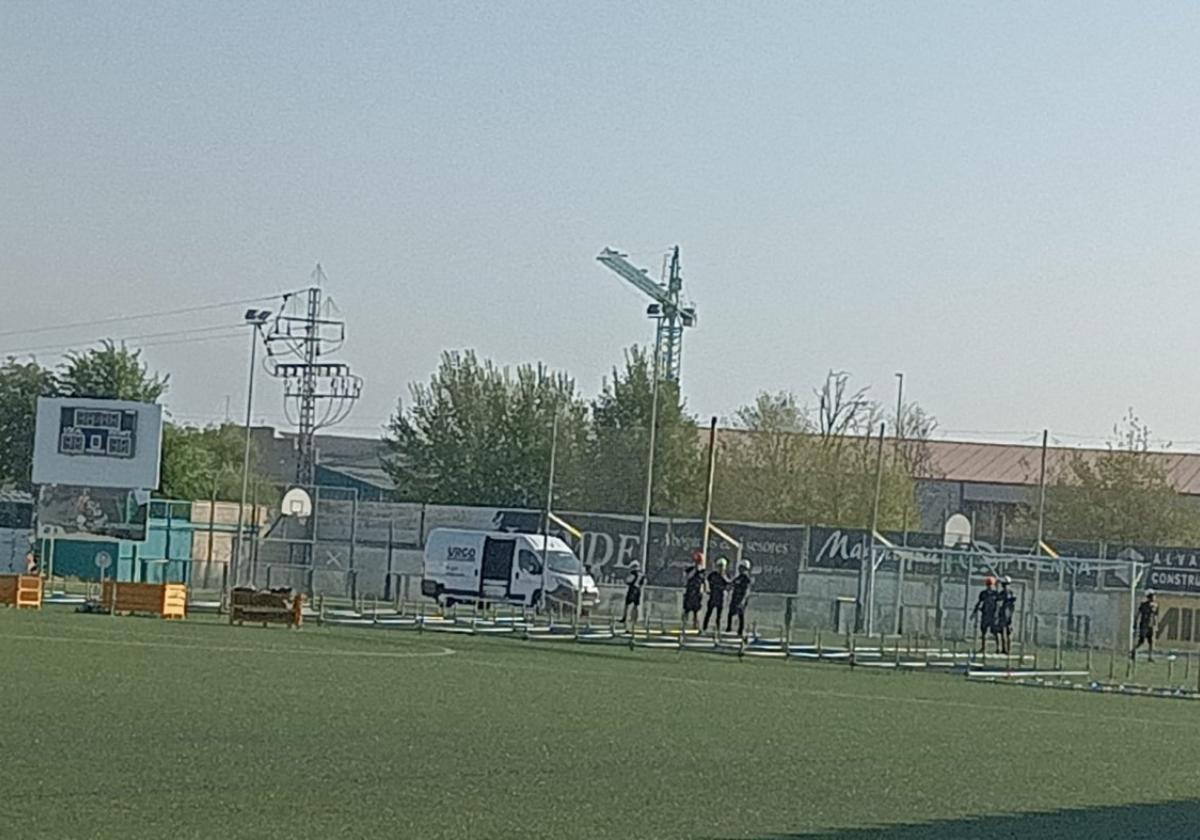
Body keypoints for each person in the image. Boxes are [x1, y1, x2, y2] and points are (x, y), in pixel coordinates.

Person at [970, 576, 1002, 654]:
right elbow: (979, 603)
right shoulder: (983, 594)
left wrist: (998, 614)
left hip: (993, 616)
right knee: (984, 632)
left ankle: (998, 648)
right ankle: (983, 648)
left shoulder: (996, 594)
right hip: (985, 615)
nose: (989, 586)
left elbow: (999, 605)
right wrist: (974, 612)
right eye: (988, 584)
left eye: (991, 584)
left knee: (995, 632)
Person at [726, 560, 753, 638]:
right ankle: (729, 629)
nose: (740, 569)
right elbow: (733, 583)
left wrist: (743, 600)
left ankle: (741, 630)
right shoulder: (739, 577)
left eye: (741, 568)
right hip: (735, 597)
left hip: (741, 598)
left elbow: (746, 590)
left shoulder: (746, 578)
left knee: (741, 614)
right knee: (731, 613)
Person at [703, 557, 730, 634]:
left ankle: (718, 630)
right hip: (713, 596)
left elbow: (729, 585)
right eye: (719, 566)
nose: (720, 568)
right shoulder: (712, 575)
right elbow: (706, 580)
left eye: (722, 566)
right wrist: (707, 589)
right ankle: (704, 628)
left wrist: (723, 576)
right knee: (709, 613)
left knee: (719, 615)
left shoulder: (726, 575)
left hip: (721, 598)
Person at [1131, 590, 1159, 662]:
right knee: (1141, 641)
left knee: (1151, 642)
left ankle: (1150, 656)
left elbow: (1155, 616)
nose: (1154, 597)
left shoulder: (1155, 605)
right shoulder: (1144, 605)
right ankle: (1133, 651)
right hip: (1144, 625)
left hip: (1151, 625)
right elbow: (1138, 614)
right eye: (1153, 596)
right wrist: (1135, 623)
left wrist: (1155, 625)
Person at [682, 552, 706, 631]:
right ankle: (683, 625)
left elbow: (703, 582)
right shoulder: (690, 569)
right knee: (686, 610)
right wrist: (695, 570)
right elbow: (687, 578)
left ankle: (696, 626)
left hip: (697, 594)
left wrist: (704, 590)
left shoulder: (703, 572)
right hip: (689, 592)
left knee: (697, 611)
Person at [997, 576, 1017, 655]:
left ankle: (1005, 649)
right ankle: (1008, 649)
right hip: (1009, 614)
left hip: (1004, 614)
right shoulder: (1011, 593)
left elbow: (999, 601)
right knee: (1007, 632)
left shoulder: (1003, 593)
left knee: (1004, 632)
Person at [622, 561, 644, 628]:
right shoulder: (641, 574)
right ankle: (636, 618)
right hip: (638, 590)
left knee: (627, 604)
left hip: (632, 589)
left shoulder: (633, 573)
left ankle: (625, 617)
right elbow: (643, 582)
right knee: (636, 605)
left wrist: (626, 580)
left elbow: (628, 580)